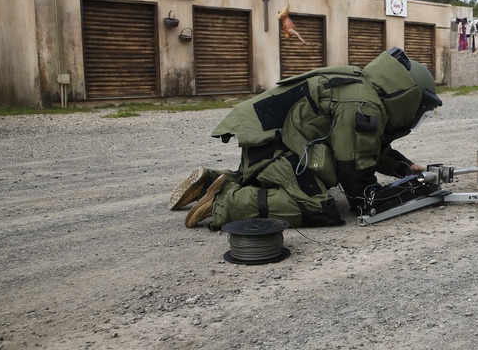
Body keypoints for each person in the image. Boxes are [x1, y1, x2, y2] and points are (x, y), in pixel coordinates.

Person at [170, 48, 442, 229]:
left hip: (271, 148)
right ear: (409, 96)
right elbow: (356, 176)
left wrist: (405, 168)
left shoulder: (362, 87)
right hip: (277, 151)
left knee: (297, 183)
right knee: (320, 208)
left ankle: (212, 179)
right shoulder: (363, 103)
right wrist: (392, 193)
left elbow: (367, 148)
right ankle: (226, 202)